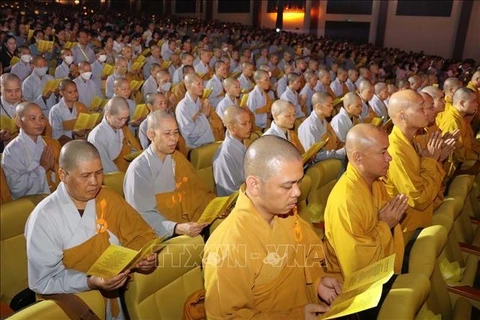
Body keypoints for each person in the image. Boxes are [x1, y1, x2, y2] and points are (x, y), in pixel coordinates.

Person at [204, 135, 342, 319]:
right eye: (287, 186)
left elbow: (306, 256)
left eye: (299, 181)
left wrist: (318, 282)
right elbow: (230, 317)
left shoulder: (287, 214)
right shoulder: (227, 246)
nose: (298, 193)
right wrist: (296, 317)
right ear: (254, 185)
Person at [25, 140, 157, 320]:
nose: (95, 182)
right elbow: (43, 281)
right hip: (74, 304)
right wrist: (90, 281)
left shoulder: (108, 197)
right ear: (62, 174)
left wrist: (142, 256)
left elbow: (140, 233)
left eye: (99, 172)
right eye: (85, 175)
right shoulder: (44, 218)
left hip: (116, 294)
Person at [324, 124, 407, 276]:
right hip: (353, 288)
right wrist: (385, 225)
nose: (389, 157)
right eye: (383, 152)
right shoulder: (346, 201)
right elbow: (356, 266)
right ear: (358, 157)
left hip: (383, 270)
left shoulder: (375, 182)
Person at [124, 111, 212, 238]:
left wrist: (215, 209)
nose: (174, 138)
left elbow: (197, 192)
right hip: (160, 235)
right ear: (151, 134)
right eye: (167, 133)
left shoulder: (178, 158)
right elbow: (142, 215)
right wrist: (176, 228)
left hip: (190, 225)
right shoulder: (138, 169)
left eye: (176, 132)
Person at [385, 90, 448, 239]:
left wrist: (435, 160)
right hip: (407, 229)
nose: (426, 113)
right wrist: (432, 161)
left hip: (420, 219)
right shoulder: (396, 151)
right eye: (421, 109)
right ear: (402, 116)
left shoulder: (411, 140)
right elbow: (418, 199)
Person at [2, 102, 59, 199]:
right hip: (30, 203)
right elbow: (16, 187)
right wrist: (43, 168)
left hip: (54, 196)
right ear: (19, 122)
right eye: (33, 118)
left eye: (41, 118)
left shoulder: (51, 143)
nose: (39, 123)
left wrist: (56, 168)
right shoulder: (12, 150)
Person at [88, 96, 141, 173]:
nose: (123, 122)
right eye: (120, 119)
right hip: (112, 177)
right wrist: (121, 177)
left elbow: (134, 148)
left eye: (126, 118)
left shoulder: (124, 129)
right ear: (108, 115)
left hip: (128, 171)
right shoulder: (97, 136)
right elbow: (105, 166)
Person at [213, 106, 252, 196]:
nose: (249, 126)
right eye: (244, 124)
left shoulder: (244, 144)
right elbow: (232, 193)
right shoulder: (224, 156)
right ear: (231, 128)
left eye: (249, 122)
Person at [298, 92, 346, 162]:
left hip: (329, 157)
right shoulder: (309, 126)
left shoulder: (323, 121)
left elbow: (335, 140)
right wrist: (342, 152)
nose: (332, 108)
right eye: (329, 106)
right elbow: (315, 155)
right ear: (319, 107)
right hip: (316, 165)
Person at [437, 87, 479, 163]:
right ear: (462, 103)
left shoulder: (462, 117)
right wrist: (477, 156)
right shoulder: (452, 121)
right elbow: (456, 153)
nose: (477, 104)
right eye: (474, 101)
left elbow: (470, 142)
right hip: (455, 166)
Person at [175, 73, 215, 148]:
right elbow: (190, 134)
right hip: (194, 147)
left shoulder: (201, 102)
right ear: (189, 86)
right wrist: (203, 115)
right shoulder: (182, 107)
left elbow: (208, 125)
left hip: (207, 142)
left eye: (202, 84)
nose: (202, 87)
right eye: (198, 84)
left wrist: (207, 116)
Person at [49, 79, 89, 144]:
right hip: (65, 145)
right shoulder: (56, 110)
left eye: (75, 91)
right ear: (61, 93)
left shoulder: (81, 106)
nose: (74, 94)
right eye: (70, 92)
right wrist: (73, 132)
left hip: (81, 143)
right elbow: (56, 134)